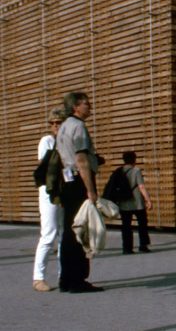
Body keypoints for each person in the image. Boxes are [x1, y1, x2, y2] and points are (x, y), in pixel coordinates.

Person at [54, 91, 103, 293]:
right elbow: (81, 160)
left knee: (68, 230)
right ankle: (78, 280)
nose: (89, 107)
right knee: (81, 229)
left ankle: (65, 279)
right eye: (86, 104)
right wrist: (90, 190)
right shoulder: (79, 127)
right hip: (79, 181)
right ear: (76, 106)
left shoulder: (63, 126)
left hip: (67, 181)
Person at [33, 106, 67, 292]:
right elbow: (48, 166)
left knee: (64, 234)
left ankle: (63, 274)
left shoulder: (66, 140)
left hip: (63, 190)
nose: (55, 126)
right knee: (49, 233)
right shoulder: (47, 141)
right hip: (49, 190)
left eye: (59, 123)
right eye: (52, 123)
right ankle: (39, 278)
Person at [116, 151, 153, 254]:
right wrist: (148, 200)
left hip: (124, 203)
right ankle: (143, 246)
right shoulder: (136, 170)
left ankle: (127, 248)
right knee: (142, 224)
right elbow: (141, 186)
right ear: (134, 159)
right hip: (138, 203)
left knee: (126, 226)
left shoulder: (119, 171)